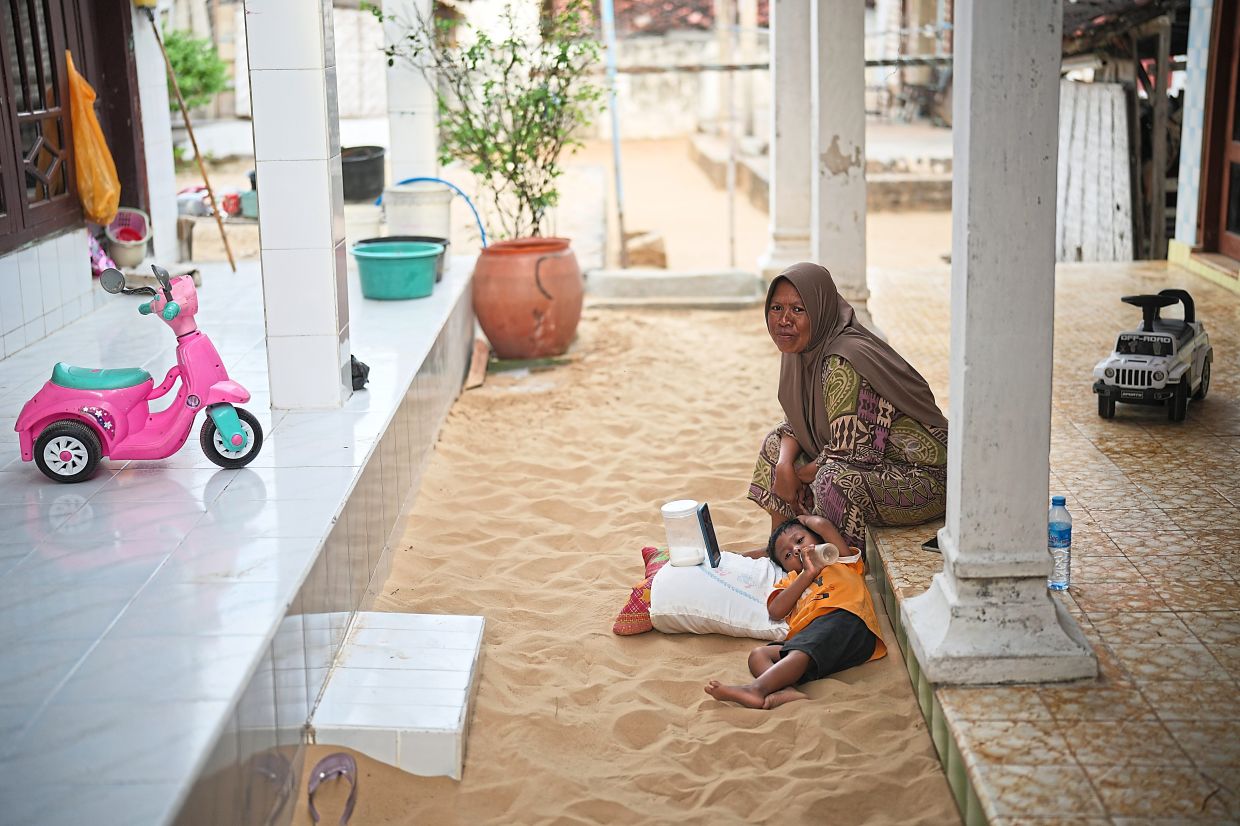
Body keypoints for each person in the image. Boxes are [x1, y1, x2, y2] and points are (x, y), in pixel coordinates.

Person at [748, 262, 949, 553]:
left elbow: (854, 454)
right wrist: (783, 467)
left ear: (819, 311)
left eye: (798, 310)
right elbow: (794, 424)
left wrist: (798, 476)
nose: (784, 320)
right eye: (776, 308)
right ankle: (780, 551)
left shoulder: (844, 360)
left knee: (834, 480)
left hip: (926, 479)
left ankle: (839, 564)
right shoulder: (801, 349)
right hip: (875, 466)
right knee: (775, 447)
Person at [705, 514, 886, 709]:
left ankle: (756, 690)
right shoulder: (792, 580)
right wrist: (807, 575)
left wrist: (805, 520)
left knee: (801, 650)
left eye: (800, 540)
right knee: (758, 655)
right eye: (787, 555)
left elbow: (823, 525)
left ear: (818, 540)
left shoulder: (839, 560)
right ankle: (787, 692)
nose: (796, 550)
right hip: (812, 638)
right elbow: (776, 611)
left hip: (849, 621)